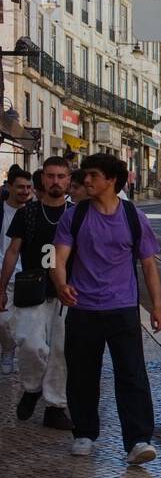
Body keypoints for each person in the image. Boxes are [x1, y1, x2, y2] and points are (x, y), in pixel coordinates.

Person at [53, 154, 161, 465]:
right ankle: (84, 434)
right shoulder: (73, 216)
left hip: (123, 308)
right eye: (85, 176)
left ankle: (138, 440)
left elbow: (148, 265)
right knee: (82, 374)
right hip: (83, 307)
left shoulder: (133, 217)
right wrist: (61, 284)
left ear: (112, 180)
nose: (85, 181)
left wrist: (157, 306)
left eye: (92, 175)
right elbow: (58, 258)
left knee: (132, 374)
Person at [0, 157, 74, 430]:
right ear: (42, 179)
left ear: (68, 180)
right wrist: (1, 287)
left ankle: (55, 406)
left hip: (66, 292)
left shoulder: (76, 213)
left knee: (61, 351)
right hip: (32, 290)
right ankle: (32, 388)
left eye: (61, 176)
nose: (55, 181)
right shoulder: (28, 213)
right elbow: (12, 251)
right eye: (51, 176)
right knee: (29, 344)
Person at [0, 169, 32, 374]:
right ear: (9, 186)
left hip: (28, 277)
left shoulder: (33, 212)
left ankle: (26, 357)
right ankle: (8, 349)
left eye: (29, 187)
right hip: (3, 275)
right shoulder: (1, 210)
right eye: (20, 187)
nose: (25, 191)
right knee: (3, 322)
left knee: (29, 326)